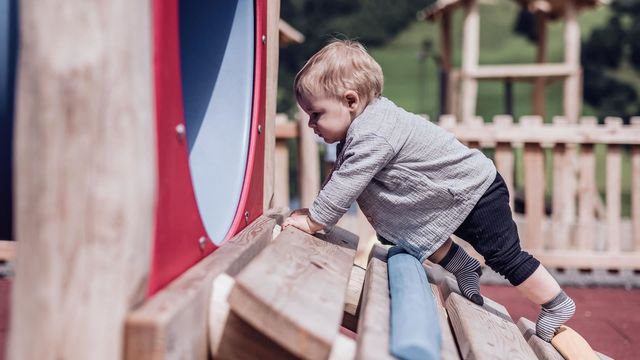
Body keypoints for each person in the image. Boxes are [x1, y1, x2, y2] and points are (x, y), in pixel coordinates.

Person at [282, 39, 575, 342]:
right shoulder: (362, 128)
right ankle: (464, 265)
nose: (310, 125)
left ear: (351, 101)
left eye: (316, 114)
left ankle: (556, 303)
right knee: (408, 232)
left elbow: (348, 181)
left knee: (504, 255)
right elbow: (342, 174)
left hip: (476, 190)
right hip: (451, 193)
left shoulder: (373, 133)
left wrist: (316, 218)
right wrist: (314, 213)